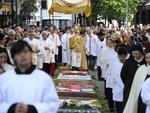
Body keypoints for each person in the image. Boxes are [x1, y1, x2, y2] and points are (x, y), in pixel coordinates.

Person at [0, 40, 60, 113]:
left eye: (25, 52)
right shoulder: (4, 79)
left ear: (31, 53)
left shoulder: (44, 78)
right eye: (18, 53)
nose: (22, 55)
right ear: (13, 57)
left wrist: (31, 109)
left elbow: (53, 104)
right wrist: (12, 108)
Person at [123, 49, 150, 113]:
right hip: (142, 97)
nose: (148, 60)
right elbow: (136, 85)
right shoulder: (141, 69)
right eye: (147, 58)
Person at [121, 44, 145, 112]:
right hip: (130, 87)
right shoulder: (128, 62)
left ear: (141, 52)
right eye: (133, 53)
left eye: (136, 53)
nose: (135, 55)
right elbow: (123, 75)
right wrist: (128, 83)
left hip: (142, 88)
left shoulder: (145, 62)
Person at [113, 47, 128, 113]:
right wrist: (122, 87)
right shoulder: (115, 65)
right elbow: (115, 77)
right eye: (120, 57)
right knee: (118, 106)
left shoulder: (128, 64)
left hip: (127, 88)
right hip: (118, 88)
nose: (121, 58)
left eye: (123, 57)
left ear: (126, 56)